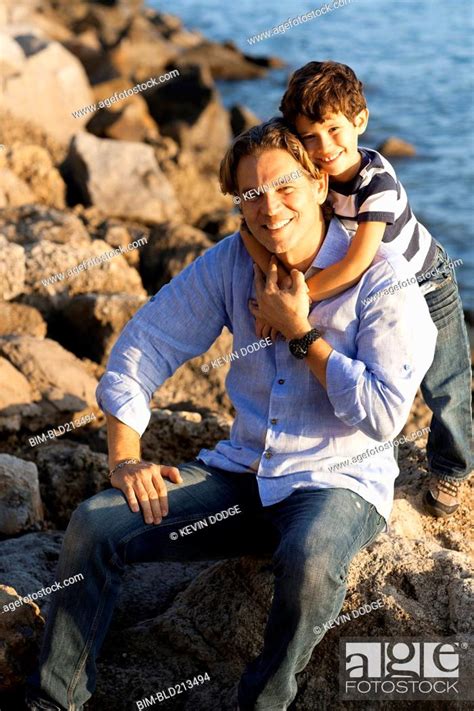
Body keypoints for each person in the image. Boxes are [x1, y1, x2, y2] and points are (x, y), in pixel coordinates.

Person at [26, 118, 437, 711]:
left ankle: (263, 702)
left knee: (311, 558)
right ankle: (55, 699)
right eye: (251, 196)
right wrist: (125, 459)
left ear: (321, 184)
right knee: (96, 523)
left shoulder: (383, 281)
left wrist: (302, 335)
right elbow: (145, 345)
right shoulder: (229, 265)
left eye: (286, 188)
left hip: (335, 480)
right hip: (242, 473)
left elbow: (382, 416)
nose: (270, 209)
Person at [240, 61, 472, 518]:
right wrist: (267, 278)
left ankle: (453, 468)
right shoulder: (303, 175)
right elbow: (249, 231)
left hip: (425, 281)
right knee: (368, 370)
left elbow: (358, 259)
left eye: (334, 129)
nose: (324, 147)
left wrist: (293, 300)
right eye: (308, 136)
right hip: (370, 292)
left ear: (360, 121)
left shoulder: (375, 181)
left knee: (446, 384)